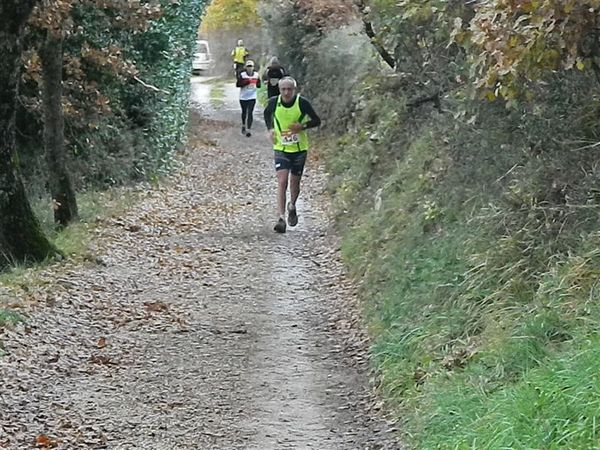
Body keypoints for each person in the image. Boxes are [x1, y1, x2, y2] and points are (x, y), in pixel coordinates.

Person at [263, 77, 321, 233]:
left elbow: (317, 120)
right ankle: (281, 218)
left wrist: (302, 126)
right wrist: (270, 130)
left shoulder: (302, 103)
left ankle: (292, 205)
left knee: (295, 183)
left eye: (290, 89)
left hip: (299, 149)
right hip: (281, 147)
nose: (287, 92)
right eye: (284, 89)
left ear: (294, 90)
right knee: (282, 181)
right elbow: (267, 114)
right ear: (279, 90)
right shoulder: (274, 102)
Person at [236, 60, 261, 137]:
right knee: (244, 112)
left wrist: (256, 83)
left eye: (251, 66)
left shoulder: (256, 75)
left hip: (252, 97)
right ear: (245, 67)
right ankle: (243, 125)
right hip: (243, 97)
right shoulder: (242, 75)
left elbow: (259, 85)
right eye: (248, 66)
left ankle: (248, 130)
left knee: (250, 112)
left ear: (253, 67)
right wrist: (246, 82)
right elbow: (237, 84)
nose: (250, 68)